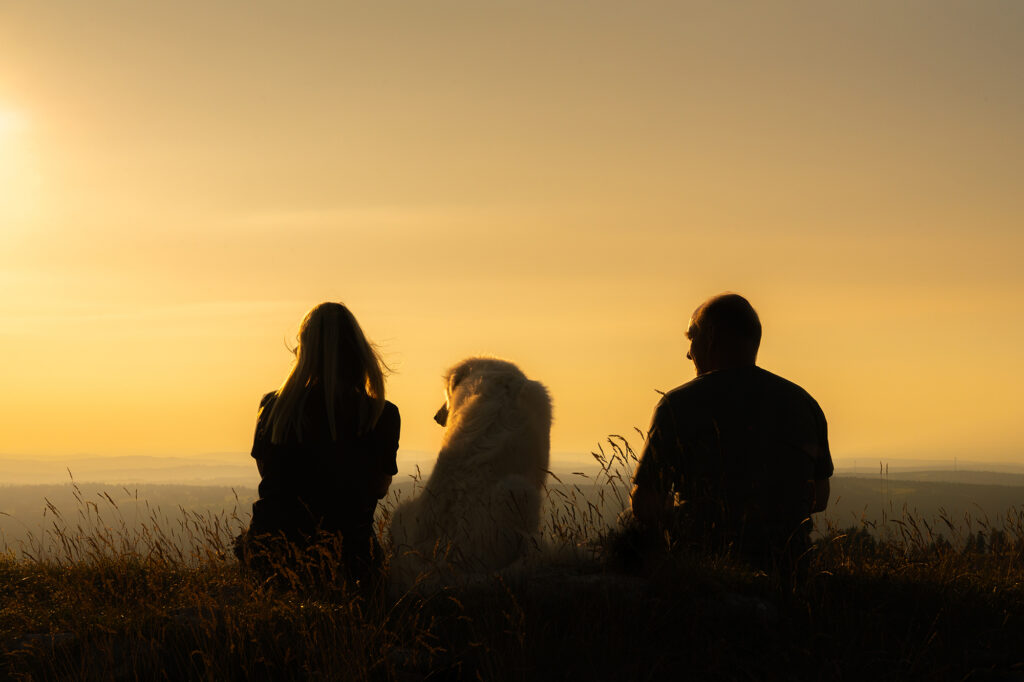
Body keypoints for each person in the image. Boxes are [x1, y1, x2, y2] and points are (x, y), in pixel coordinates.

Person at [630, 293, 833, 572]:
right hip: (790, 569)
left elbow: (645, 505)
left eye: (692, 337)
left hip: (702, 568)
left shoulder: (678, 405)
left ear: (711, 337)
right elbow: (819, 499)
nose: (688, 353)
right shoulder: (804, 404)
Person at [235, 302, 400, 588]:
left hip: (271, 553)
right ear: (359, 353)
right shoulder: (381, 414)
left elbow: (269, 475)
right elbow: (380, 489)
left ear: (304, 351)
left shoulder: (273, 407)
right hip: (351, 559)